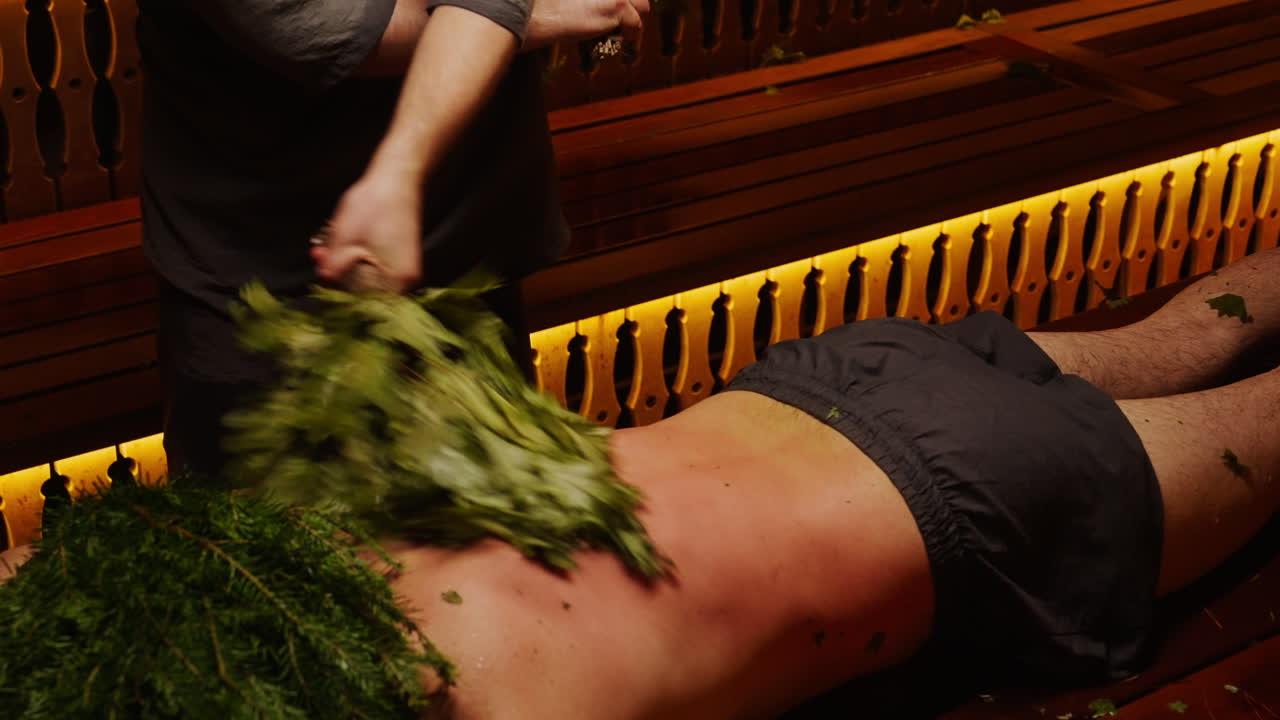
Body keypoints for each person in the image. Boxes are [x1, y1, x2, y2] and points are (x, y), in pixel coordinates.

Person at [4, 249, 1278, 719]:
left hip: (977, 499)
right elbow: (39, 574)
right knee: (1191, 327)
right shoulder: (317, 541)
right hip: (833, 376)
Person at [136, 0, 646, 480]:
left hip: (467, 260)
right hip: (262, 286)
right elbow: (331, 28)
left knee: (488, 526)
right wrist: (533, 15)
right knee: (260, 533)